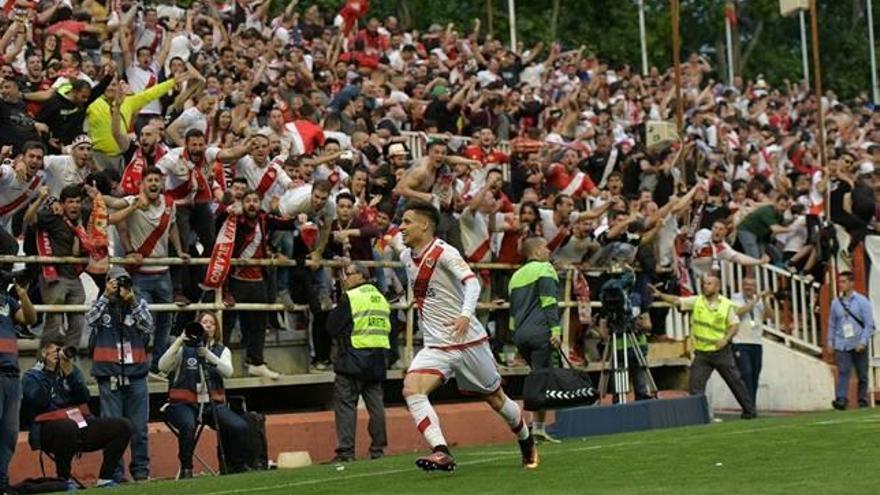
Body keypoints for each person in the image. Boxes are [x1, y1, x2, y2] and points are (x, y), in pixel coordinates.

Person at [399, 201, 537, 471]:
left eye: (406, 222)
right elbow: (384, 239)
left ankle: (525, 437)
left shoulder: (444, 252)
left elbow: (471, 282)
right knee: (411, 389)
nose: (401, 228)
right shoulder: (406, 256)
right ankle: (441, 450)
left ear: (424, 225)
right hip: (438, 346)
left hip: (468, 340)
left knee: (496, 399)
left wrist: (465, 314)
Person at [22, 339, 132, 489]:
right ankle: (64, 480)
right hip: (48, 428)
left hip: (77, 421)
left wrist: (70, 375)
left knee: (122, 426)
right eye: (54, 350)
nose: (58, 354)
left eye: (59, 350)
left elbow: (84, 398)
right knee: (67, 427)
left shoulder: (69, 370)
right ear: (43, 353)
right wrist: (49, 372)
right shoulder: (32, 376)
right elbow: (39, 402)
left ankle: (105, 478)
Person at [651, 273, 757, 419]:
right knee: (695, 385)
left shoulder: (726, 304)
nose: (705, 286)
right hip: (702, 353)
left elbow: (734, 325)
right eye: (704, 283)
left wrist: (726, 339)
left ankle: (750, 411)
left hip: (721, 351)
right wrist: (660, 295)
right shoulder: (697, 301)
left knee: (735, 383)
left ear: (717, 287)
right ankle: (697, 416)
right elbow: (677, 300)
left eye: (709, 284)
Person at [159, 313, 250, 478]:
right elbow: (162, 366)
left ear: (216, 329)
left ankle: (236, 467)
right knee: (188, 425)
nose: (208, 325)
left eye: (212, 323)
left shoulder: (222, 350)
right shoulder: (182, 349)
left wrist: (207, 354)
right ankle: (187, 469)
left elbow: (228, 372)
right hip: (183, 404)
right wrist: (180, 340)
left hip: (211, 405)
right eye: (204, 322)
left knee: (239, 426)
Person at [85, 267, 154, 482]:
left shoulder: (138, 303)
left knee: (139, 428)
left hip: (136, 374)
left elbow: (148, 325)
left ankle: (141, 472)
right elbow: (90, 319)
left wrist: (131, 301)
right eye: (114, 282)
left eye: (122, 282)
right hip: (109, 374)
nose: (119, 286)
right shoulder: (102, 303)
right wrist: (106, 296)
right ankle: (115, 474)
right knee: (112, 428)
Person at [326, 264, 390, 462]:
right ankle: (378, 450)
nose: (344, 278)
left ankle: (346, 452)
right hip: (378, 360)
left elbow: (332, 326)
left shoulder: (351, 298)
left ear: (361, 276)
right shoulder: (381, 298)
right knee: (376, 407)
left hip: (352, 359)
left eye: (348, 274)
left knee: (346, 406)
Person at [507, 237, 561, 443]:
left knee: (538, 377)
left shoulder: (515, 277)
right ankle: (534, 428)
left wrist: (516, 338)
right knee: (542, 379)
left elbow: (513, 312)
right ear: (538, 251)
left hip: (521, 335)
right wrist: (555, 330)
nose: (548, 251)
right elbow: (549, 302)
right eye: (546, 247)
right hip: (541, 333)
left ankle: (537, 427)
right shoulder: (545, 269)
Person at [35, 185, 88, 349]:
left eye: (78, 202)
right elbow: (32, 219)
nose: (74, 205)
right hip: (54, 277)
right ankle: (44, 365)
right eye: (70, 202)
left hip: (74, 277)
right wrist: (51, 202)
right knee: (54, 322)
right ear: (63, 204)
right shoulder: (54, 217)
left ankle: (68, 362)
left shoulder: (83, 218)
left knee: (78, 322)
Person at [0, 278, 36, 493]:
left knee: (9, 434)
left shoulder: (7, 301)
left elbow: (29, 318)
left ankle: (2, 481)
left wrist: (23, 296)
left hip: (12, 375)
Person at [828, 271, 875, 410]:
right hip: (842, 342)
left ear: (851, 283)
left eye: (844, 281)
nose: (841, 284)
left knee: (862, 373)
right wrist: (831, 342)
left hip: (858, 341)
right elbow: (832, 324)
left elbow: (869, 324)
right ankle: (841, 399)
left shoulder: (862, 301)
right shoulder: (836, 303)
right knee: (843, 371)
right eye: (840, 281)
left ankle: (862, 398)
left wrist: (863, 341)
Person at [731, 278, 773, 407]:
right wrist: (755, 300)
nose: (749, 287)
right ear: (742, 286)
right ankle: (747, 405)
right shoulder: (736, 298)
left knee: (755, 374)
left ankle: (751, 405)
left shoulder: (759, 299)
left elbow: (769, 316)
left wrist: (765, 300)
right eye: (746, 285)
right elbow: (740, 312)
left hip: (756, 342)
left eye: (752, 285)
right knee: (746, 373)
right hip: (740, 341)